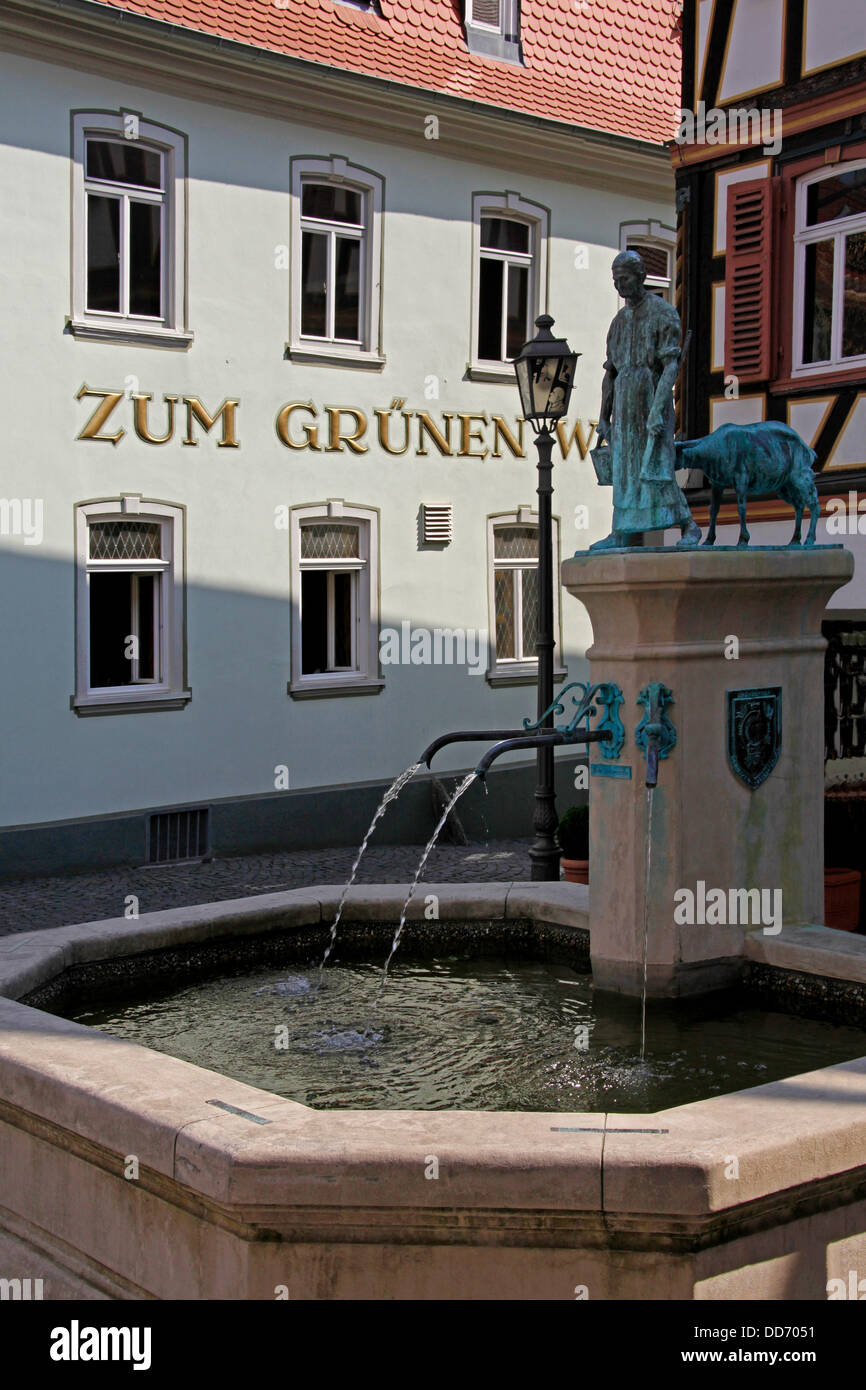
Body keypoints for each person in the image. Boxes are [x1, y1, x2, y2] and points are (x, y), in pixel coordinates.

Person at [589, 250, 700, 550]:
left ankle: (688, 526)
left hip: (652, 400)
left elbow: (671, 366)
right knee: (625, 472)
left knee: (657, 469)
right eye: (615, 280)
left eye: (623, 278)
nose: (619, 285)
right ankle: (619, 531)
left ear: (640, 277)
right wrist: (603, 417)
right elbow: (610, 374)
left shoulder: (662, 313)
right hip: (624, 405)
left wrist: (658, 411)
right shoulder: (617, 323)